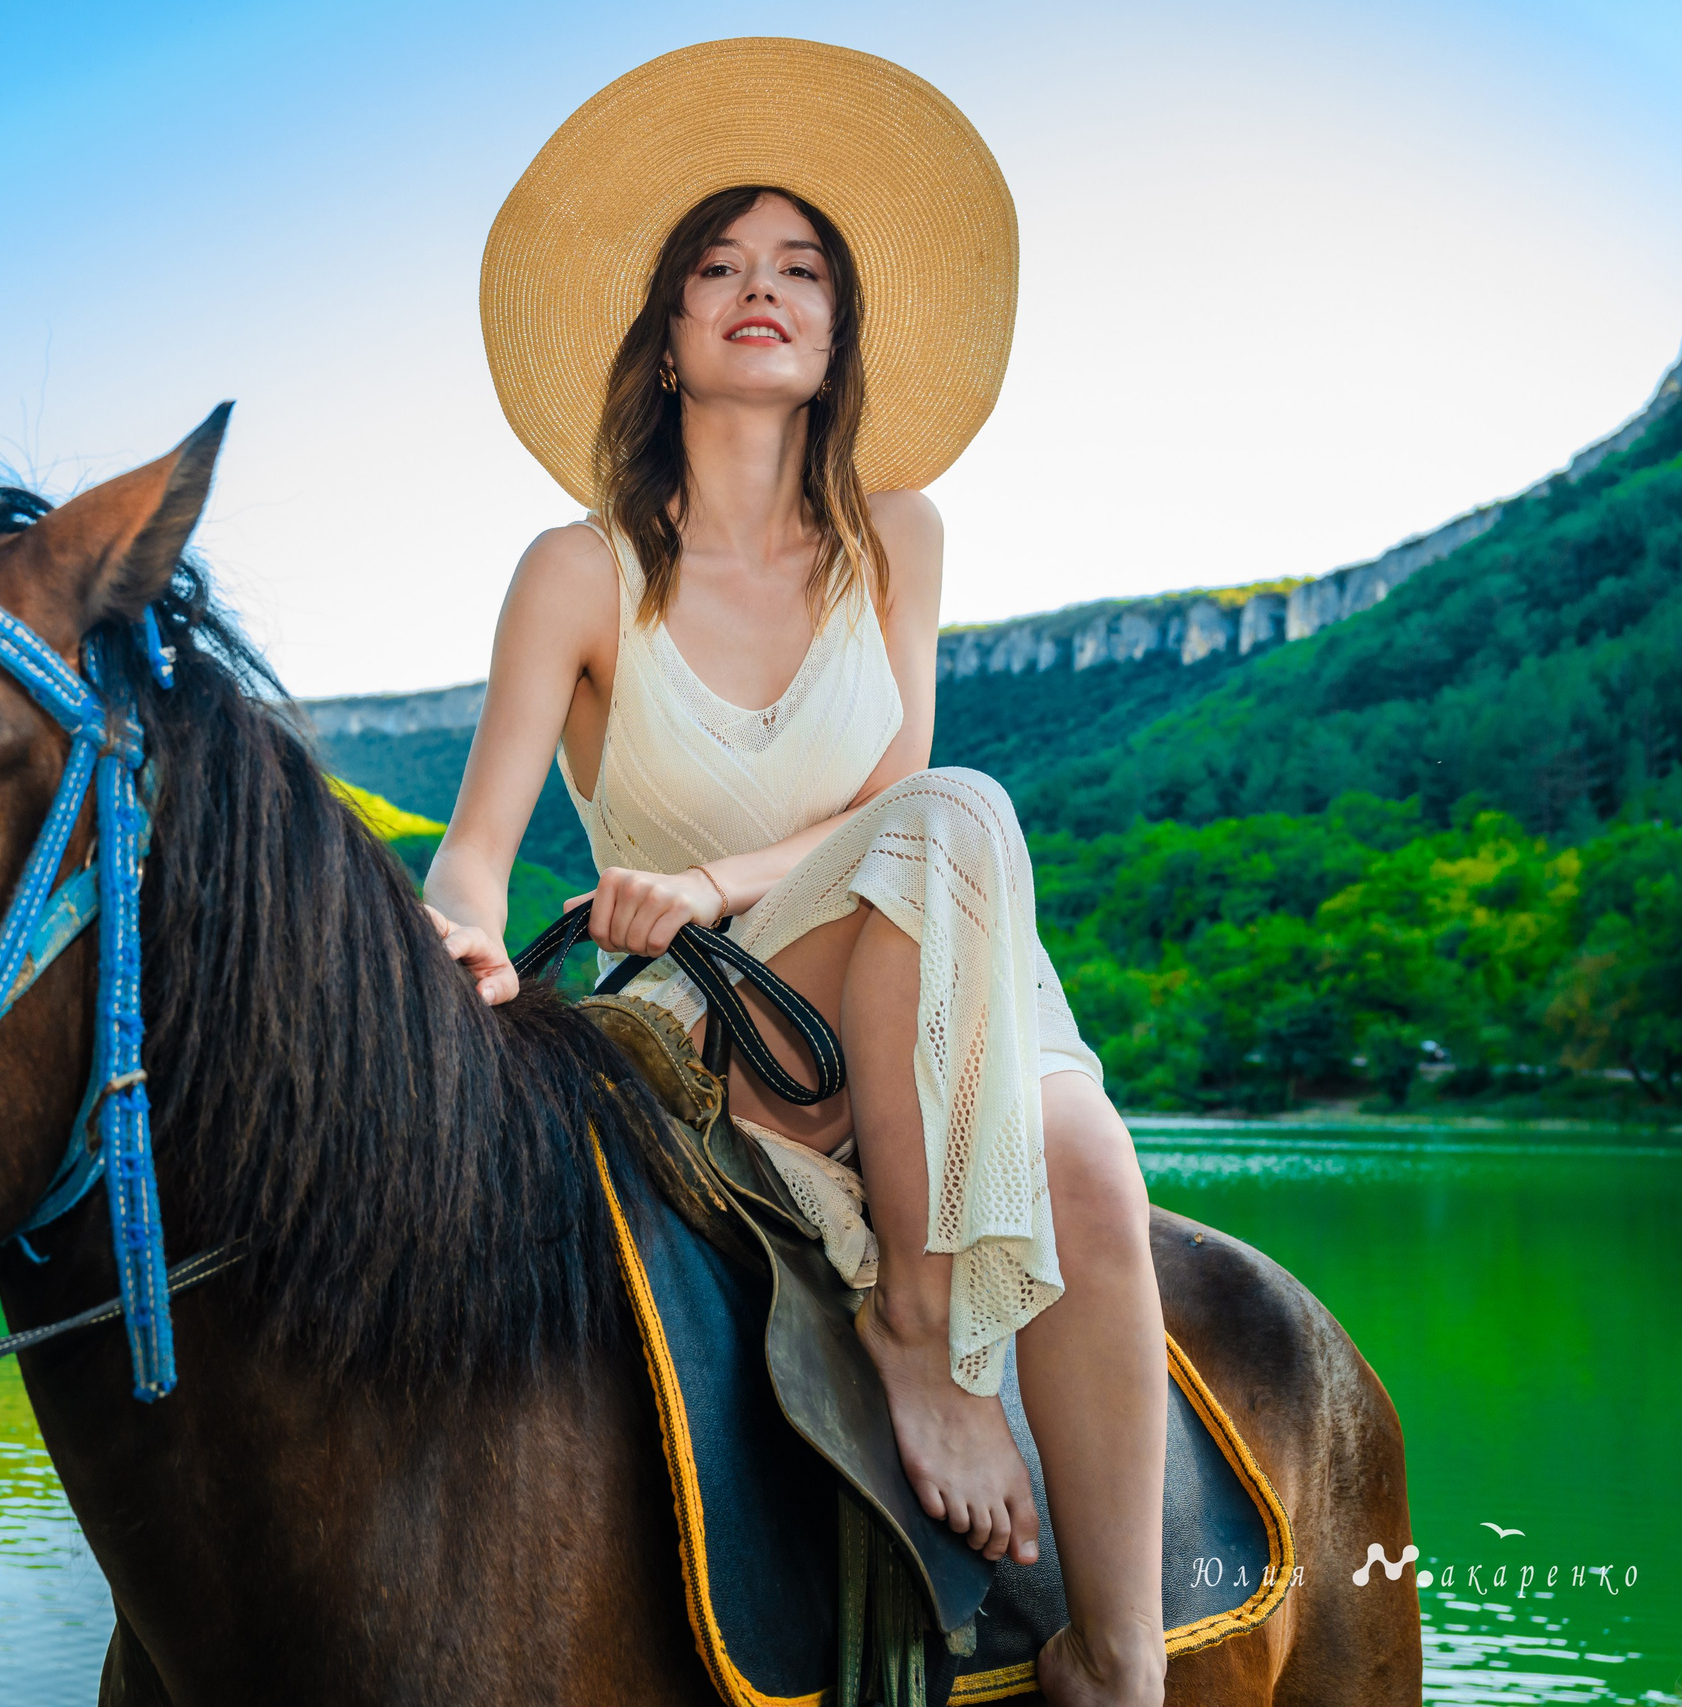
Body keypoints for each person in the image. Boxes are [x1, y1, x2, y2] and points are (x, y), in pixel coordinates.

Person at [420, 41, 1168, 1707]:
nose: (760, 292)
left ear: (835, 337)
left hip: (923, 972)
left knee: (1088, 1159)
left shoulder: (903, 534)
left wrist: (721, 872)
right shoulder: (576, 571)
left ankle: (1118, 1667)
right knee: (963, 817)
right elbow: (474, 855)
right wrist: (456, 945)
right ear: (669, 335)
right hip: (713, 1031)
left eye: (800, 272)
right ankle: (920, 1330)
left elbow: (902, 800)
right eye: (719, 269)